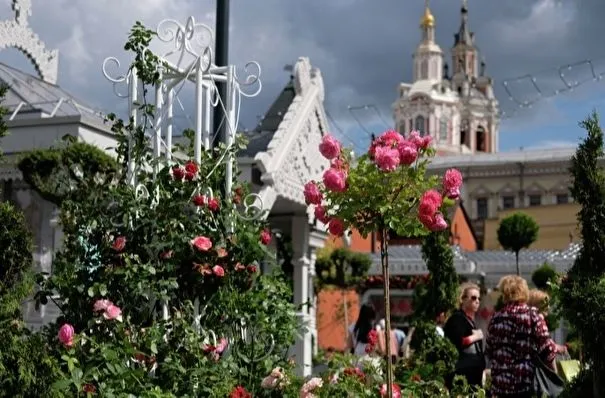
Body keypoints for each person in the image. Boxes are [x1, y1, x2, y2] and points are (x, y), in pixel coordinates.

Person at [487, 276, 563, 397]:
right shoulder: (533, 315)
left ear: (504, 293)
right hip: (525, 383)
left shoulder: (496, 318)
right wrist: (555, 376)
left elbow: (490, 350)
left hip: (500, 385)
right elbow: (547, 349)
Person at [443, 282, 486, 388]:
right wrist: (476, 336)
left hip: (473, 372)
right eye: (473, 298)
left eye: (479, 299)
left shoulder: (468, 320)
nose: (477, 301)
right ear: (463, 299)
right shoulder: (457, 318)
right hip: (462, 374)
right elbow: (459, 341)